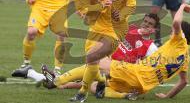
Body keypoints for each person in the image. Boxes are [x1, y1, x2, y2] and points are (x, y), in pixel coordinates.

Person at [43, 0, 136, 103]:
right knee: (92, 63)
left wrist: (121, 15)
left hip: (115, 30)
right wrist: (99, 6)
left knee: (91, 56)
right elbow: (85, 10)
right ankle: (100, 82)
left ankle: (82, 93)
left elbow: (132, 5)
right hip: (95, 28)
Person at [92, 3, 190, 100]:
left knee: (96, 58)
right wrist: (167, 96)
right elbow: (184, 81)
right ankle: (124, 95)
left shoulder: (179, 41)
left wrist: (182, 6)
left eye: (173, 31)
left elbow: (176, 22)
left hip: (135, 73)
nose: (171, 33)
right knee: (94, 86)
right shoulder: (186, 58)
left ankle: (87, 82)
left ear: (183, 35)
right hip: (142, 88)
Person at [30, 13, 159, 88]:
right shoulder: (130, 29)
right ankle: (59, 83)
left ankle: (57, 81)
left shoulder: (151, 47)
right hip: (109, 62)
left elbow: (151, 69)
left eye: (150, 24)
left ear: (154, 29)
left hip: (122, 72)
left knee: (92, 70)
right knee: (92, 69)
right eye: (145, 21)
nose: (146, 25)